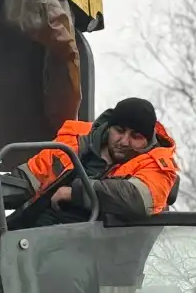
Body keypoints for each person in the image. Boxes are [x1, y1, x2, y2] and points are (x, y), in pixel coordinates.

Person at [17, 97, 179, 226]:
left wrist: (75, 193)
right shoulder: (75, 141)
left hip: (102, 254)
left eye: (135, 137)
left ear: (148, 141)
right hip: (34, 237)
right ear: (109, 128)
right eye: (120, 131)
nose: (124, 141)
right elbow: (28, 179)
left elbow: (136, 199)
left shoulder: (158, 165)